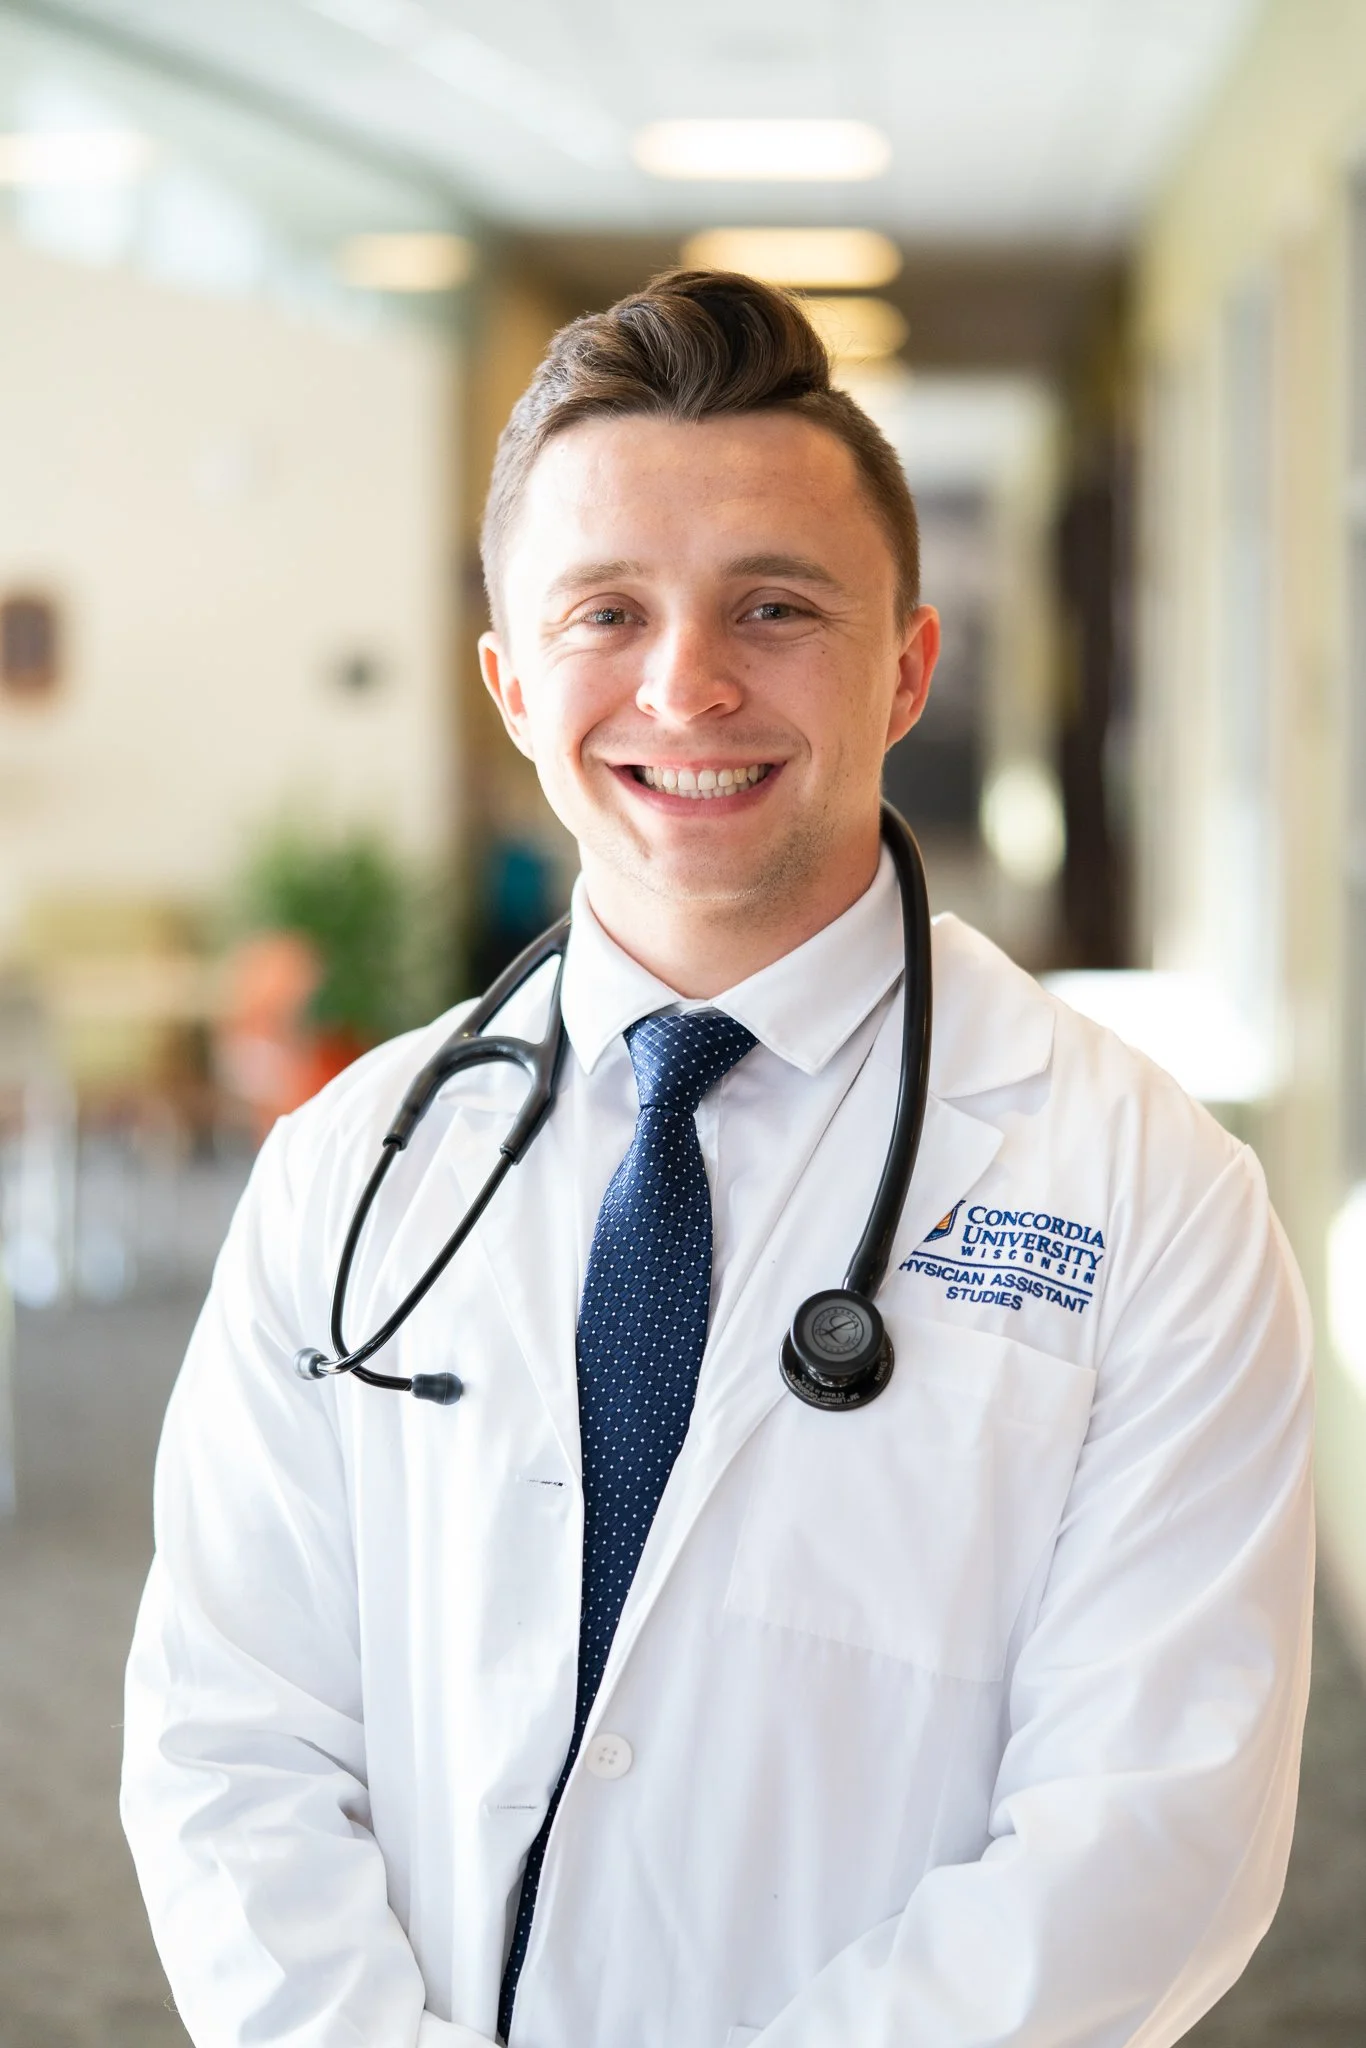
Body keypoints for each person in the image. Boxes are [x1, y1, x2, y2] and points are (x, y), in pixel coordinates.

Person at [121, 271, 1314, 2048]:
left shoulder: (1149, 1195)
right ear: (512, 682)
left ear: (905, 665)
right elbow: (230, 1738)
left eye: (774, 605)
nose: (685, 685)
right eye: (607, 611)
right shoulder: (350, 1166)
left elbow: (1150, 1830)